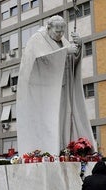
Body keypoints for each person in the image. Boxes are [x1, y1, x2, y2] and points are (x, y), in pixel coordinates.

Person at [16, 15, 95, 155]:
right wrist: (65, 52)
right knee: (53, 121)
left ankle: (66, 148)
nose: (59, 34)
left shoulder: (63, 41)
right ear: (49, 28)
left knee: (66, 119)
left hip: (63, 88)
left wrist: (79, 47)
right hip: (46, 93)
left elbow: (72, 63)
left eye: (62, 32)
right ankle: (50, 151)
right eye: (57, 31)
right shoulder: (37, 40)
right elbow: (39, 62)